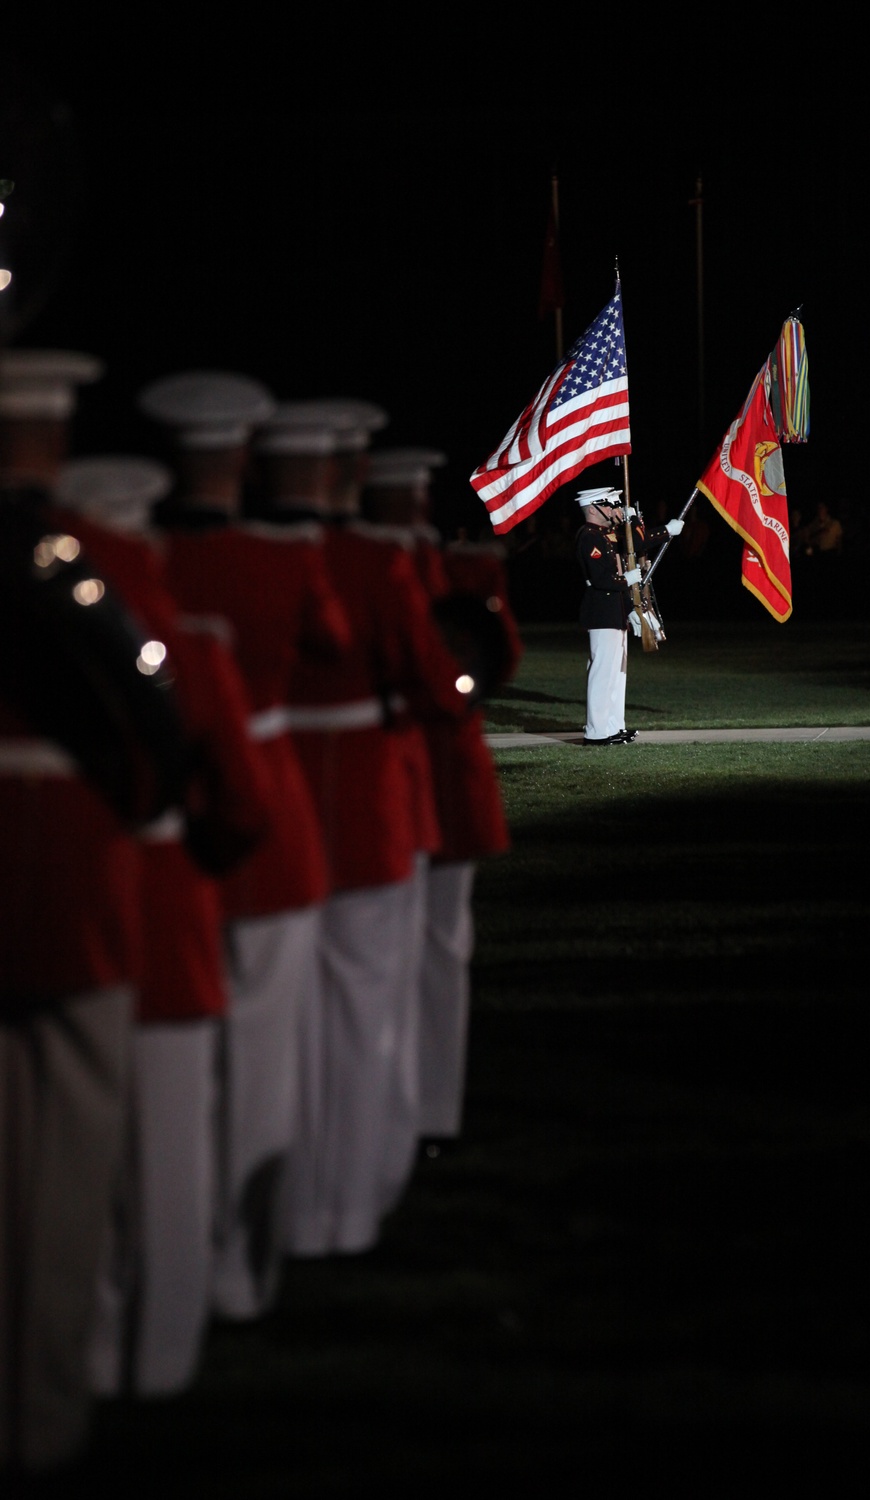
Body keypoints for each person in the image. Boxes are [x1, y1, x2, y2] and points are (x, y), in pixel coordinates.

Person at [0, 351, 189, 1477]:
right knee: (67, 1178)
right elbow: (165, 735)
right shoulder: (105, 563)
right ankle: (42, 1426)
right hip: (71, 887)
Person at [52, 454, 274, 1399]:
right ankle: (164, 1353)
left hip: (71, 916)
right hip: (171, 908)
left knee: (72, 1162)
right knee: (173, 1150)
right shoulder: (192, 645)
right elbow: (244, 807)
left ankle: (88, 1348)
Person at [138, 369, 352, 1321]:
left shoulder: (131, 559)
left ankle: (153, 1269)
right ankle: (237, 1268)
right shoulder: (277, 562)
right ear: (245, 458)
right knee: (262, 1063)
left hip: (158, 836)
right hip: (264, 822)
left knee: (167, 1079)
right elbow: (336, 643)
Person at [250, 401, 470, 1254]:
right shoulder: (377, 565)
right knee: (367, 1013)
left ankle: (284, 1207)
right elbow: (430, 677)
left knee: (281, 1025)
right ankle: (346, 1204)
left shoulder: (238, 556)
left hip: (276, 798)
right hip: (369, 800)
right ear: (346, 474)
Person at [362, 446, 523, 1145]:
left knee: (408, 951)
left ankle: (415, 1110)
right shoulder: (433, 572)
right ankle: (418, 1110)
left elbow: (491, 661)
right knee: (423, 951)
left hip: (414, 784)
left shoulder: (445, 572)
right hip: (414, 783)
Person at [574, 485, 682, 745]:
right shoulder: (589, 536)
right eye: (607, 505)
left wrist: (662, 530)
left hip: (614, 611)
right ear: (592, 508)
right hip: (601, 611)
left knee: (616, 673)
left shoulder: (604, 534)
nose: (613, 509)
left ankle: (612, 726)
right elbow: (601, 578)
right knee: (603, 672)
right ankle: (597, 732)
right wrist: (625, 580)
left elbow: (638, 542)